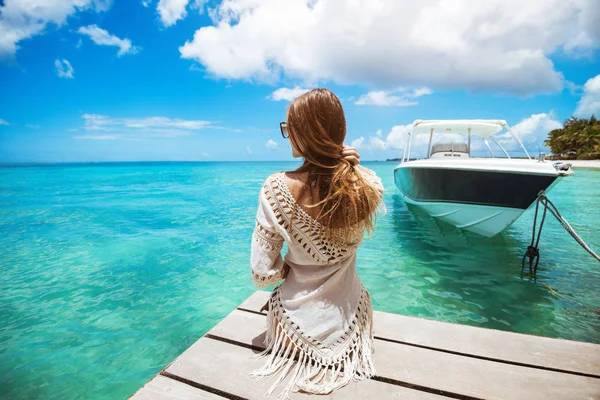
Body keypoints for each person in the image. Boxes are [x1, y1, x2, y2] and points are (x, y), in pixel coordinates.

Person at [249, 88, 385, 399]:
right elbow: (365, 180)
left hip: (291, 330)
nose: (287, 135)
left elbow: (261, 273)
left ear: (303, 133)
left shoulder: (276, 188)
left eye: (288, 128)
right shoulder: (368, 186)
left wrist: (289, 269)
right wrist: (355, 167)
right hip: (353, 320)